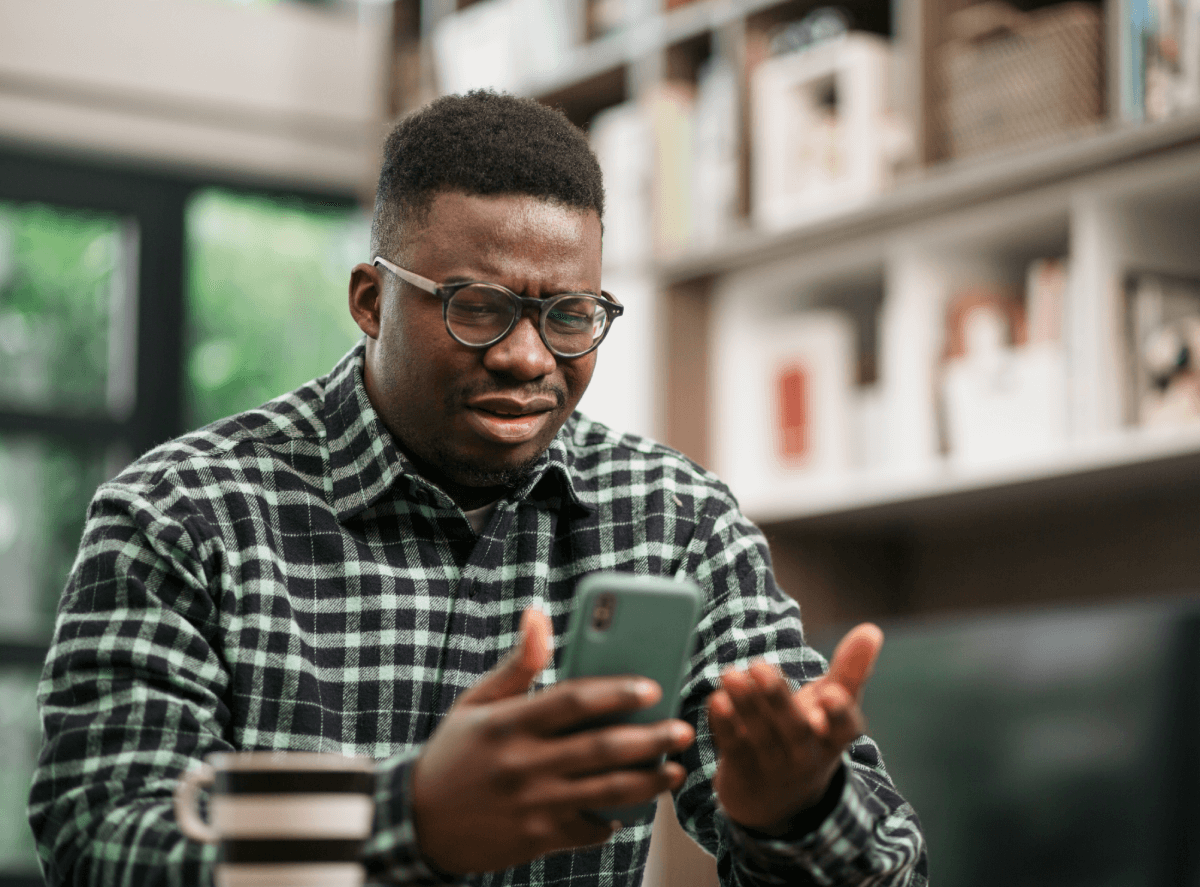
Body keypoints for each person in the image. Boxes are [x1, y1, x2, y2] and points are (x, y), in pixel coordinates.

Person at [29, 90, 927, 886]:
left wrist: (797, 813)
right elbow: (101, 834)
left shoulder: (679, 524)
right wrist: (407, 817)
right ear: (372, 300)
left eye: (569, 315)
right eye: (478, 307)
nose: (527, 357)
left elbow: (890, 867)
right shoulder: (181, 515)